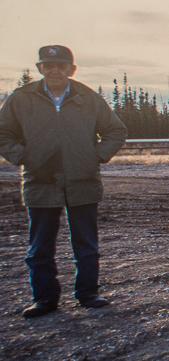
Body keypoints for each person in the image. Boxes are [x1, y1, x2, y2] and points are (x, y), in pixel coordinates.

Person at [0, 45, 128, 317]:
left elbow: (115, 130)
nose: (55, 70)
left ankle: (88, 294)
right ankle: (44, 299)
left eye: (61, 66)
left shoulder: (89, 98)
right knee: (40, 246)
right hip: (40, 181)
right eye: (48, 65)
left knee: (86, 244)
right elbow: (3, 133)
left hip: (83, 181)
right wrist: (23, 156)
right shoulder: (22, 98)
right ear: (40, 69)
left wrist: (95, 156)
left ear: (72, 69)